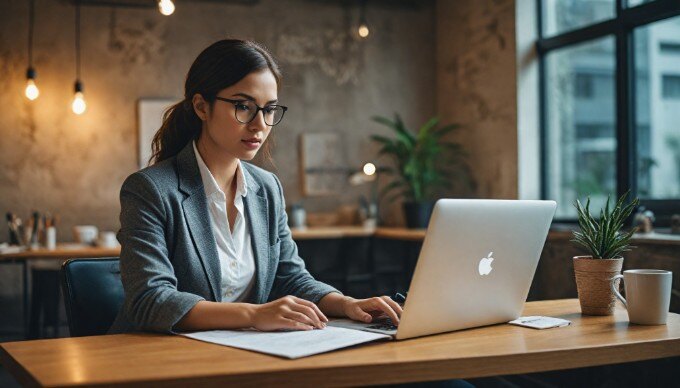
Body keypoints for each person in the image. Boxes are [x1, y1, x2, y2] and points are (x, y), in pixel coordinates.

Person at [109, 39, 402, 334]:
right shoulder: (150, 190)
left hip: (245, 355)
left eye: (269, 109)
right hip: (163, 359)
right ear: (201, 107)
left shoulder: (267, 188)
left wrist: (346, 303)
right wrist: (253, 314)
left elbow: (289, 277)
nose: (259, 124)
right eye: (243, 106)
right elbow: (151, 300)